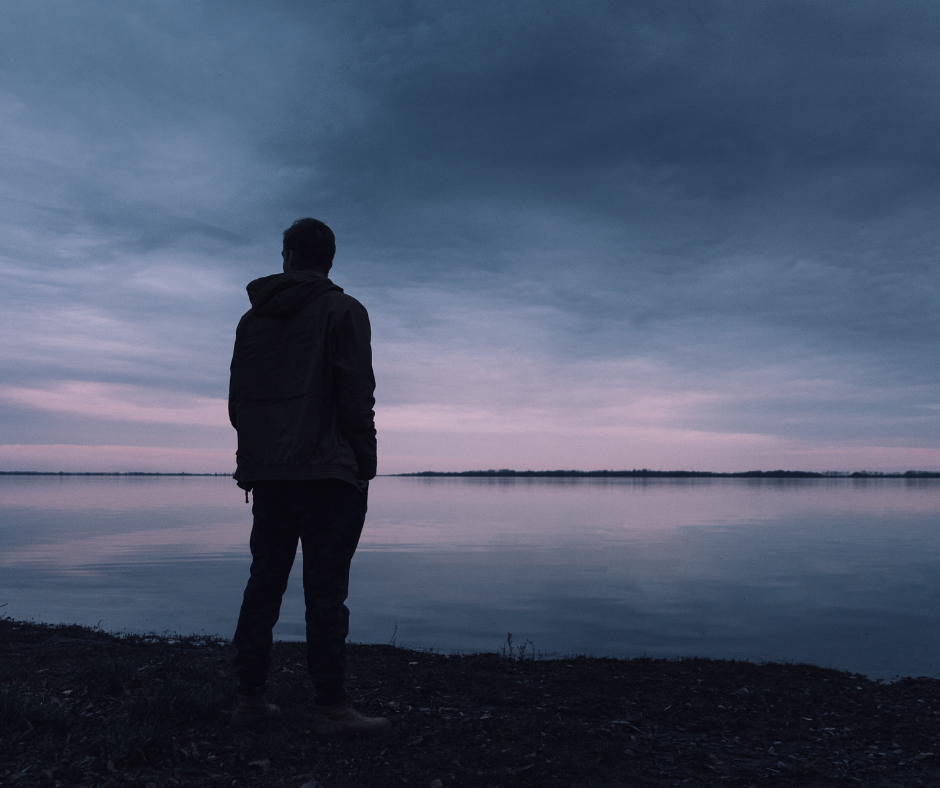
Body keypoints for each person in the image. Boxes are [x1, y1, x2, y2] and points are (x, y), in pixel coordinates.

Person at [227, 218, 389, 735]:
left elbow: (237, 405)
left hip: (271, 476)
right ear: (329, 259)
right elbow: (356, 397)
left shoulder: (251, 324)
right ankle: (331, 707)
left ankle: (249, 699)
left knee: (263, 585)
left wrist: (258, 460)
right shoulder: (345, 311)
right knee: (325, 594)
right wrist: (365, 465)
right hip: (328, 476)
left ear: (289, 257)